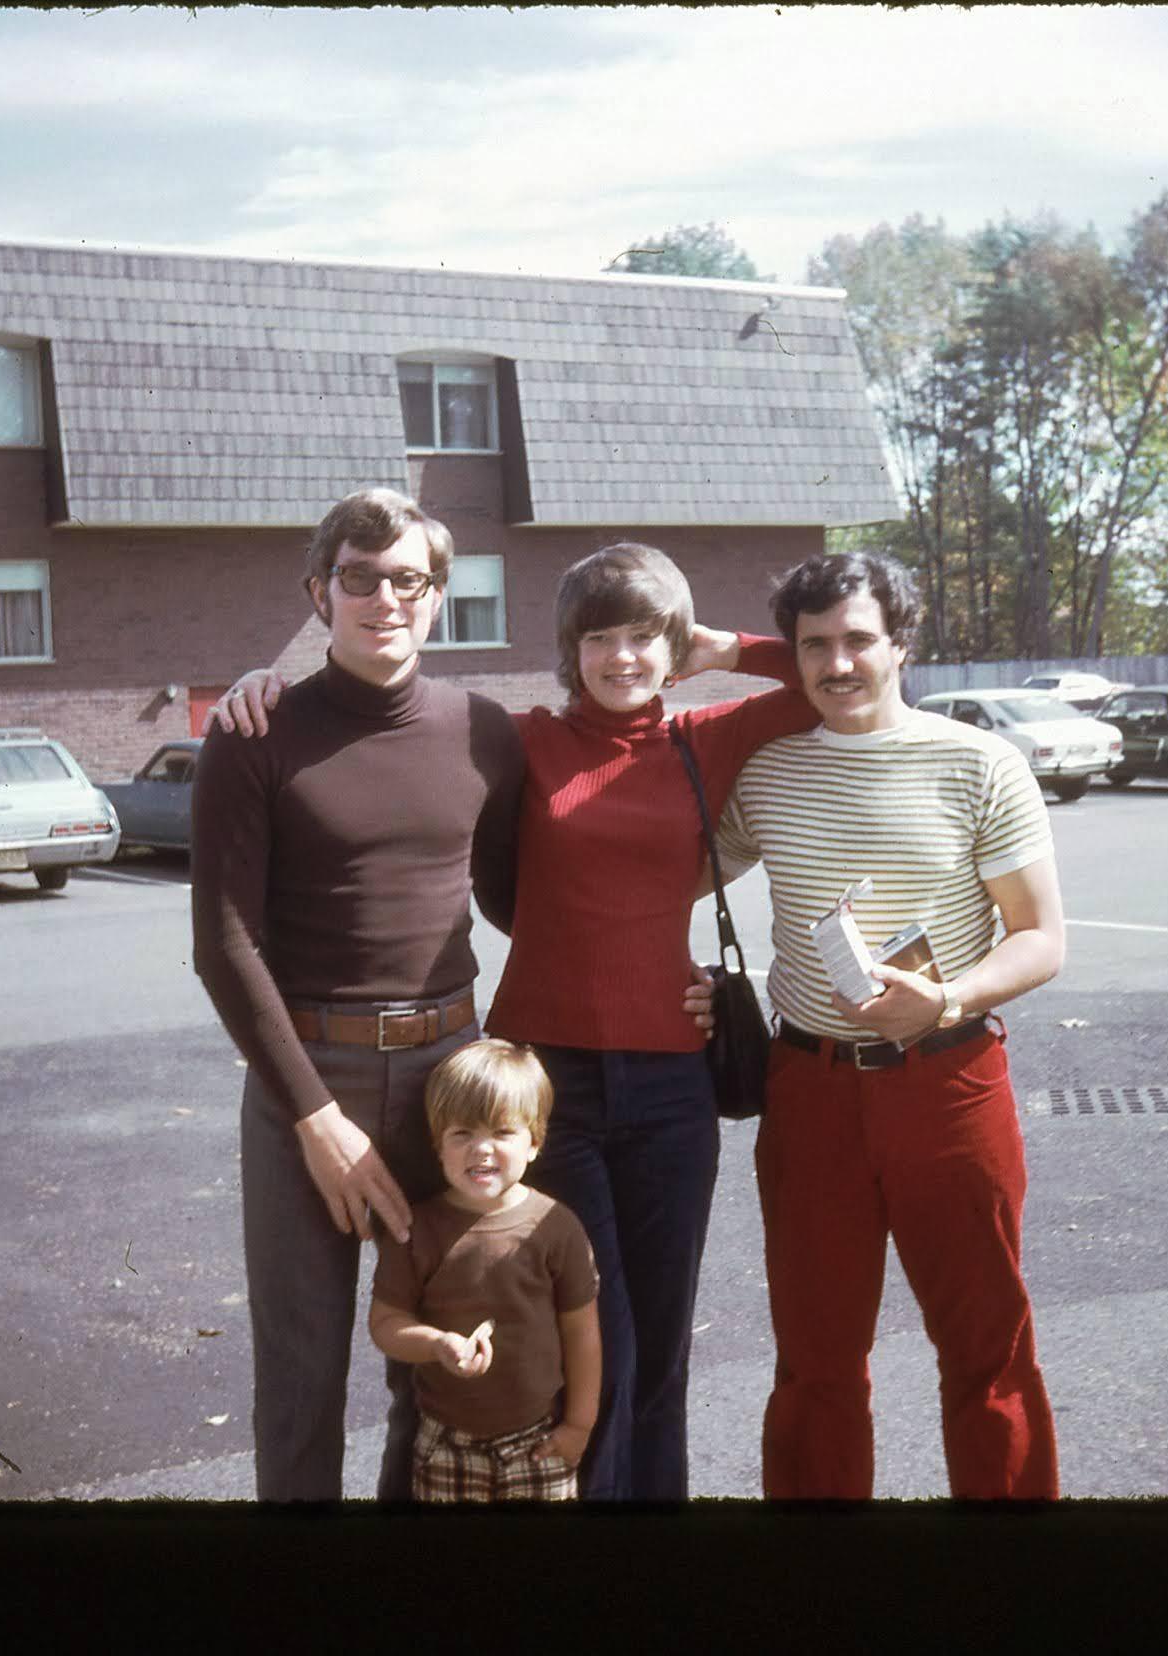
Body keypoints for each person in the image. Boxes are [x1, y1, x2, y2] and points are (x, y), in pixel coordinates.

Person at [214, 540, 818, 1501]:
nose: (622, 658)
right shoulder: (515, 738)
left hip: (672, 1083)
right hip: (546, 1089)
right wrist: (268, 686)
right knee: (589, 1336)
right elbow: (387, 702)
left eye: (644, 638)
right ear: (568, 648)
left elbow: (827, 668)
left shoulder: (707, 740)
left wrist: (716, 644)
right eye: (600, 638)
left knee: (660, 1341)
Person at [191, 486, 526, 1503]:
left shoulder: (486, 733)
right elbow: (223, 945)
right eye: (358, 578)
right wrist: (317, 1117)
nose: (384, 598)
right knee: (300, 1379)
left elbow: (524, 900)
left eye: (407, 580)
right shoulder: (256, 733)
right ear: (319, 591)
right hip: (306, 1077)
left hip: (448, 1082)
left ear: (437, 600)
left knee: (436, 1365)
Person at [713, 551, 1064, 1501]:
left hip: (948, 1085)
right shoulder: (768, 772)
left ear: (901, 644)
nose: (837, 665)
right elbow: (647, 855)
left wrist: (947, 1000)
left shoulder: (980, 762)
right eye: (813, 646)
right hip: (810, 1090)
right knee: (816, 1359)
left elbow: (1040, 939)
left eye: (858, 640)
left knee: (987, 1348)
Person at [369, 1037, 602, 1503]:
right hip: (445, 1444)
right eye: (462, 1134)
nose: (482, 1149)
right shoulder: (418, 1230)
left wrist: (579, 1424)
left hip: (539, 1443)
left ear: (534, 1143)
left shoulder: (556, 1227)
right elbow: (385, 1324)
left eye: (502, 1132)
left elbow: (582, 1333)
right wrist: (437, 1345)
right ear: (438, 1144)